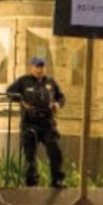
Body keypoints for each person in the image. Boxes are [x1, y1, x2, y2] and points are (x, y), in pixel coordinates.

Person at [5, 57, 66, 188]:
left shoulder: (50, 82)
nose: (39, 69)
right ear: (31, 67)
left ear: (45, 68)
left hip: (47, 122)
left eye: (41, 67)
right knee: (30, 153)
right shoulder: (24, 81)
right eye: (36, 66)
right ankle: (32, 182)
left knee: (55, 150)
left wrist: (57, 104)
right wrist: (22, 101)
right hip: (30, 121)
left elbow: (61, 97)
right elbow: (9, 92)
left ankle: (57, 179)